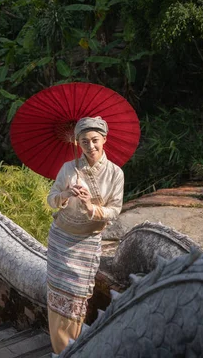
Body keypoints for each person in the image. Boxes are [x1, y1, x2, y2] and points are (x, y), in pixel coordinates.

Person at [46, 116, 124, 354]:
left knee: (77, 297)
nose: (90, 146)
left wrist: (91, 207)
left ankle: (75, 348)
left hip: (87, 241)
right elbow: (51, 200)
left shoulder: (115, 173)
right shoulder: (69, 168)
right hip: (61, 238)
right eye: (84, 141)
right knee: (58, 294)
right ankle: (61, 350)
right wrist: (66, 193)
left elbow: (114, 210)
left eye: (95, 140)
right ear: (78, 143)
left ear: (104, 140)